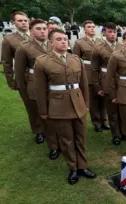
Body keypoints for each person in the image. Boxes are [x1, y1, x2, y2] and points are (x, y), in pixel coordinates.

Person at [34, 29, 96, 184]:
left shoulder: (76, 59)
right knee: (67, 139)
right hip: (58, 106)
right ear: (51, 42)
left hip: (78, 103)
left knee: (81, 137)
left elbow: (83, 85)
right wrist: (43, 110)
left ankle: (83, 166)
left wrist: (86, 103)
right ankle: (73, 168)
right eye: (59, 39)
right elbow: (40, 89)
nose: (63, 41)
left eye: (65, 39)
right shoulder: (42, 61)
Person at [15, 19, 60, 160]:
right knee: (44, 116)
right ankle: (53, 147)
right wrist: (24, 91)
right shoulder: (24, 47)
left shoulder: (53, 44)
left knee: (56, 116)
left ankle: (61, 140)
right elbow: (20, 72)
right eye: (38, 29)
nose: (42, 31)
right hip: (34, 86)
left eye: (44, 29)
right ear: (32, 31)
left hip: (53, 85)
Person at [2, 12, 38, 140]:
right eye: (20, 21)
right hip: (25, 78)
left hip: (43, 76)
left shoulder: (37, 35)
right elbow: (6, 63)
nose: (24, 23)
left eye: (25, 20)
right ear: (14, 23)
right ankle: (38, 130)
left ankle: (51, 128)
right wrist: (11, 81)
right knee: (31, 106)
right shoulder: (9, 40)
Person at [91, 22, 125, 146]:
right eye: (110, 32)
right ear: (105, 33)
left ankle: (123, 132)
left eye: (114, 32)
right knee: (112, 110)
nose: (112, 34)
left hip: (121, 81)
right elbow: (94, 69)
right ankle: (115, 134)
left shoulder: (122, 46)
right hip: (106, 81)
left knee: (122, 109)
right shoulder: (98, 48)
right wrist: (97, 86)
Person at [73, 20, 108, 132]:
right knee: (93, 99)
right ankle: (97, 122)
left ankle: (105, 121)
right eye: (89, 27)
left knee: (103, 98)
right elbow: (75, 60)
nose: (92, 29)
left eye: (93, 26)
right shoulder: (80, 43)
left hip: (100, 73)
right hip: (88, 73)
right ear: (84, 29)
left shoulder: (101, 41)